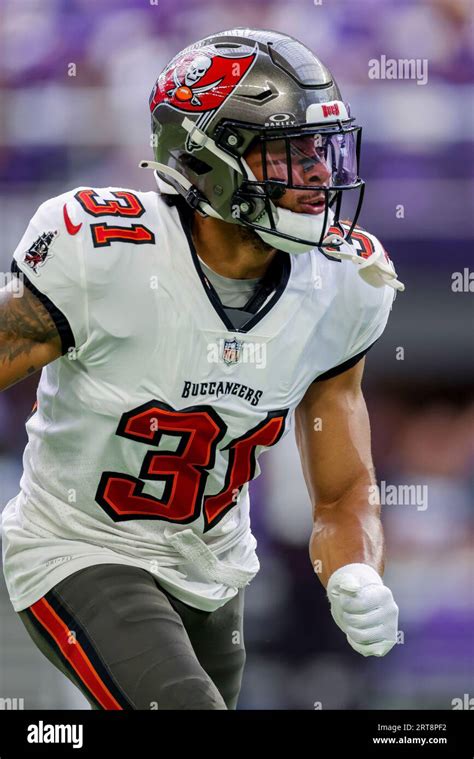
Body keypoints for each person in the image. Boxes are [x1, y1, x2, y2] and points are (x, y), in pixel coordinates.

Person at [1, 28, 402, 710]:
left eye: (319, 148)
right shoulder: (105, 254)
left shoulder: (342, 282)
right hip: (79, 544)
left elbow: (343, 491)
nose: (319, 174)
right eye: (288, 152)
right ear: (209, 160)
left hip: (214, 567)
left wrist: (355, 567)